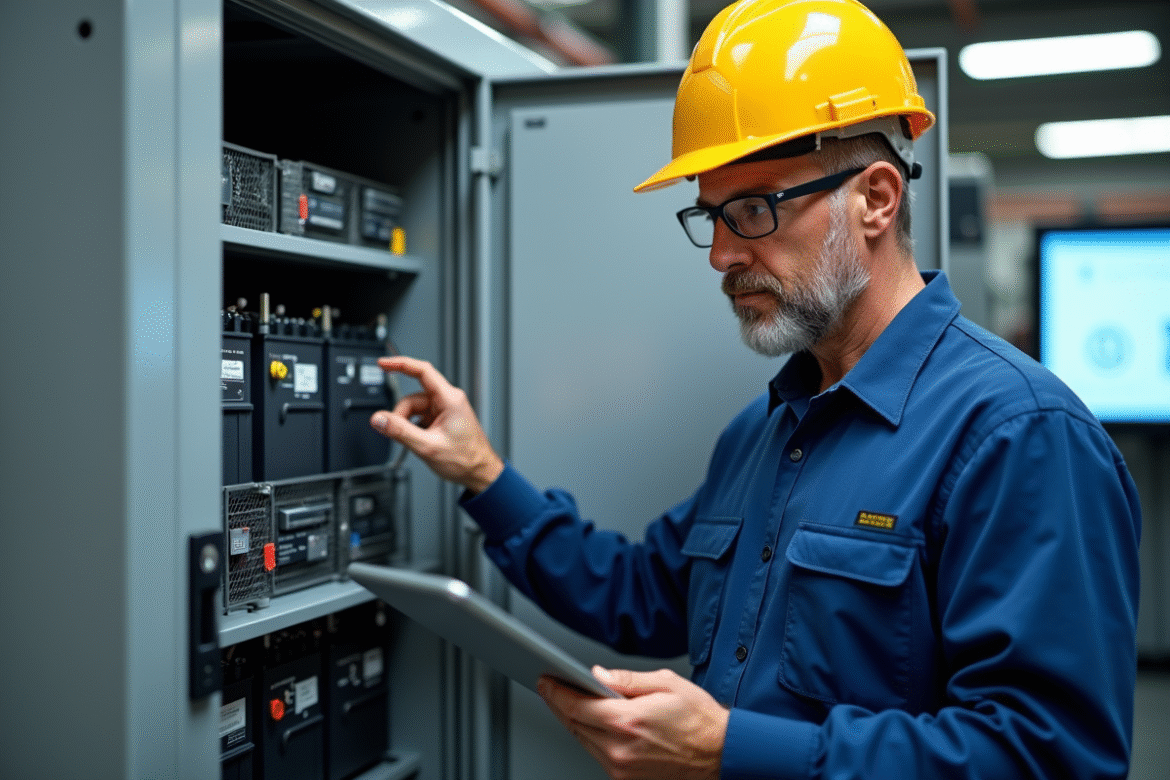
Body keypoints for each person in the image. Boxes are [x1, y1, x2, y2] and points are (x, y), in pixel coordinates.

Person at [370, 0, 1143, 777]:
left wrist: (727, 749)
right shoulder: (766, 431)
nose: (721, 254)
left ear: (876, 198)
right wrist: (482, 476)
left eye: (755, 209)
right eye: (711, 216)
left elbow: (1047, 755)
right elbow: (641, 593)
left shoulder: (1019, 435)